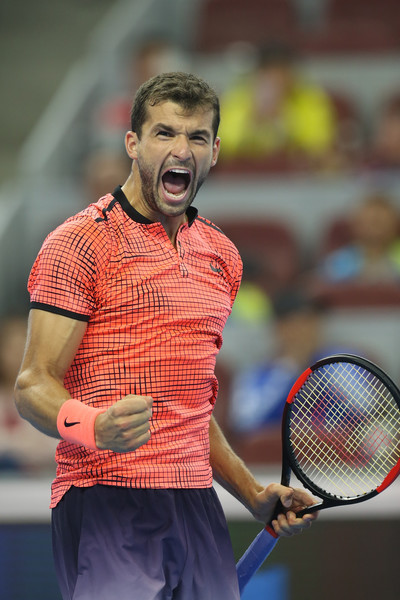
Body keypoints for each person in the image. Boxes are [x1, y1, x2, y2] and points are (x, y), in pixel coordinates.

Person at [14, 72, 316, 600]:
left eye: (197, 137)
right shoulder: (79, 243)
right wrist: (93, 426)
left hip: (196, 504)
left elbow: (192, 412)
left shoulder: (221, 257)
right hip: (106, 500)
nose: (182, 149)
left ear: (215, 150)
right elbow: (32, 385)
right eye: (164, 133)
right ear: (133, 143)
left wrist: (251, 493)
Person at [228, 289, 355, 437]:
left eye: (314, 320)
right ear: (280, 329)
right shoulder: (257, 376)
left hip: (338, 454)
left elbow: (367, 408)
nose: (310, 329)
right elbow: (244, 422)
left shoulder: (342, 363)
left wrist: (325, 373)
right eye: (301, 321)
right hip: (278, 456)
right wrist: (289, 370)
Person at [217, 41, 338, 171]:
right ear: (258, 74)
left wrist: (283, 116)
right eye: (270, 73)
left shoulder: (311, 98)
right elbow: (224, 144)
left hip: (296, 177)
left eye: (282, 72)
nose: (277, 80)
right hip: (245, 178)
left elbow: (320, 142)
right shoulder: (238, 97)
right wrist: (255, 117)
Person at [0, 314, 57, 473]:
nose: (18, 355)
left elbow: (56, 445)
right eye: (12, 349)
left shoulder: (50, 396)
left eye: (24, 347)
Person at [317, 192, 400, 284]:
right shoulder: (338, 261)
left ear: (395, 225)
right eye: (370, 221)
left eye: (380, 222)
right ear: (355, 225)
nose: (375, 228)